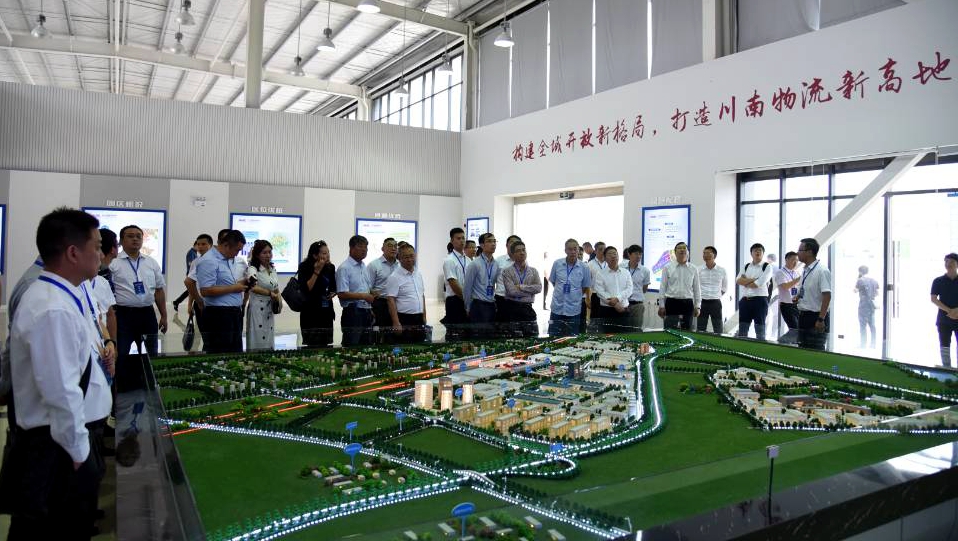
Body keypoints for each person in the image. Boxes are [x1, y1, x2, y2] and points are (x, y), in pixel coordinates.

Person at [6, 208, 111, 540]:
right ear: (73, 253)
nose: (102, 254)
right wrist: (79, 452)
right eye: (97, 246)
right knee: (53, 529)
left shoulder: (65, 294)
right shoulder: (52, 307)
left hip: (63, 442)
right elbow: (60, 391)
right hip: (57, 448)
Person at [109, 225, 167, 391]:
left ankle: (149, 384)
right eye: (130, 236)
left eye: (138, 236)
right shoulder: (114, 264)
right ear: (121, 240)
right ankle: (121, 388)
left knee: (151, 351)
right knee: (122, 353)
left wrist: (163, 315)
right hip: (124, 315)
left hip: (147, 314)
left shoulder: (151, 262)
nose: (135, 239)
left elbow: (159, 290)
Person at [196, 230, 249, 353]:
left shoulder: (227, 259)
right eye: (237, 250)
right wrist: (234, 288)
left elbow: (225, 284)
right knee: (220, 354)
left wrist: (242, 283)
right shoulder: (208, 260)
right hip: (219, 316)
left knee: (234, 353)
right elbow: (205, 290)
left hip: (233, 314)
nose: (237, 254)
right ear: (226, 245)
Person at [337, 235, 376, 346]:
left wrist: (372, 293)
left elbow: (365, 288)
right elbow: (341, 294)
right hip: (352, 313)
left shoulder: (363, 266)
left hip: (366, 311)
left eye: (366, 247)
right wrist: (364, 296)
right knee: (352, 345)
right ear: (351, 248)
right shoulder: (344, 268)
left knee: (367, 345)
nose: (364, 250)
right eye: (361, 247)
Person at [547, 239, 592, 337]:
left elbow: (585, 287)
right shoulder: (557, 264)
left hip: (574, 309)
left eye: (575, 249)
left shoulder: (584, 267)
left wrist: (574, 294)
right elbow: (554, 282)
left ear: (578, 250)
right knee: (553, 337)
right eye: (570, 249)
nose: (572, 252)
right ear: (565, 250)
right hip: (557, 308)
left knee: (571, 339)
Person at [298, 241, 337, 348]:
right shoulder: (304, 267)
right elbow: (307, 289)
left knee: (326, 345)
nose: (327, 255)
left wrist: (333, 293)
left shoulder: (330, 267)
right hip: (310, 312)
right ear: (315, 255)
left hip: (326, 312)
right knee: (312, 346)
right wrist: (317, 270)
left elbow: (333, 286)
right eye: (324, 253)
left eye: (328, 252)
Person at [385, 244, 427, 343]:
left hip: (419, 318)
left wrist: (424, 316)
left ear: (415, 256)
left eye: (411, 256)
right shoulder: (394, 277)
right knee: (405, 346)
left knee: (420, 346)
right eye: (405, 257)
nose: (409, 259)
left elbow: (422, 296)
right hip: (404, 318)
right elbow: (391, 300)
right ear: (399, 258)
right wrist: (396, 322)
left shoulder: (418, 274)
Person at [795, 238, 832, 350]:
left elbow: (827, 296)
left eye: (800, 250)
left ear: (809, 252)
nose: (797, 253)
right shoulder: (805, 270)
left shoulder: (822, 270)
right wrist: (798, 297)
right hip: (803, 316)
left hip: (816, 318)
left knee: (815, 351)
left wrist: (820, 319)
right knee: (803, 349)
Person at [245, 240, 281, 351]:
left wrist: (279, 302)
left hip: (269, 309)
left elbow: (276, 288)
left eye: (270, 252)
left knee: (268, 339)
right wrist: (269, 293)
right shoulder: (253, 269)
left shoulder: (272, 269)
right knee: (258, 339)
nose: (268, 255)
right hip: (257, 310)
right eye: (264, 252)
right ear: (257, 254)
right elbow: (252, 286)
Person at [501, 241, 542, 336]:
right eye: (518, 251)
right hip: (512, 309)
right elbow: (511, 291)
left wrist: (520, 287)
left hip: (528, 309)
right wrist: (530, 292)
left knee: (532, 339)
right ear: (512, 254)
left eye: (523, 250)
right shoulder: (507, 271)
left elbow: (539, 288)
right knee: (513, 340)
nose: (522, 253)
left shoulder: (533, 271)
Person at [658, 242, 701, 330]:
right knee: (669, 330)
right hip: (671, 303)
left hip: (688, 303)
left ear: (688, 252)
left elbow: (697, 289)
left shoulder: (693, 268)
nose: (682, 250)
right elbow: (663, 287)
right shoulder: (667, 267)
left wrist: (697, 306)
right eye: (679, 248)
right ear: (675, 252)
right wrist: (661, 306)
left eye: (684, 248)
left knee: (687, 331)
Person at [463, 233, 500, 335]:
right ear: (482, 245)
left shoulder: (496, 264)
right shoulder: (474, 264)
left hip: (491, 305)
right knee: (478, 337)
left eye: (494, 241)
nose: (493, 244)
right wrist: (468, 307)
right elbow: (467, 288)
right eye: (489, 241)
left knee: (490, 336)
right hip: (478, 305)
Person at [736, 243, 774, 340]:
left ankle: (760, 348)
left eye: (760, 250)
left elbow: (757, 284)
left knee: (760, 330)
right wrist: (754, 279)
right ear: (751, 253)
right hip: (745, 300)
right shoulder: (746, 266)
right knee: (742, 330)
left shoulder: (767, 266)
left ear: (763, 253)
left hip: (760, 301)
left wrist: (746, 281)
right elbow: (738, 281)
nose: (758, 252)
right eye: (755, 250)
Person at [593, 246, 633, 333]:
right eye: (610, 254)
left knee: (625, 335)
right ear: (605, 258)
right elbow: (600, 291)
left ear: (618, 256)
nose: (613, 256)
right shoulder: (600, 273)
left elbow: (630, 289)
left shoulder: (626, 272)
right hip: (607, 311)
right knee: (608, 336)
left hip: (624, 309)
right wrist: (614, 303)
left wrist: (618, 299)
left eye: (615, 254)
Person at [182, 233, 213, 343]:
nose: (200, 247)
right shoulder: (195, 262)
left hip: (213, 304)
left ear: (210, 245)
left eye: (204, 244)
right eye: (198, 244)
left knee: (213, 335)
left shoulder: (216, 261)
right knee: (204, 334)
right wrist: (190, 304)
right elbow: (191, 285)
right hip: (200, 303)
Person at [930, 253, 958, 367]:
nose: (948, 264)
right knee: (944, 346)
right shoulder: (938, 281)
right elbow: (933, 299)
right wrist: (949, 311)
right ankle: (946, 369)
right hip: (943, 320)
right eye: (946, 261)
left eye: (951, 262)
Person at [441, 228, 469, 339]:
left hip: (466, 299)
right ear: (452, 241)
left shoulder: (468, 260)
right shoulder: (449, 260)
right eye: (458, 238)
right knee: (454, 334)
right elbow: (453, 283)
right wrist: (466, 300)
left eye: (463, 238)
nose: (462, 241)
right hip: (455, 301)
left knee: (466, 332)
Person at [368, 237, 399, 329]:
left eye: (395, 246)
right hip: (380, 304)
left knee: (394, 331)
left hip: (397, 303)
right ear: (383, 249)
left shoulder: (400, 265)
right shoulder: (374, 265)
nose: (393, 248)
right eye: (390, 246)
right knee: (378, 332)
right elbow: (367, 287)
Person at [697, 246, 727, 334]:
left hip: (715, 302)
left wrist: (716, 295)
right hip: (702, 302)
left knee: (718, 328)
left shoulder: (722, 270)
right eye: (704, 253)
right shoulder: (698, 269)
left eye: (708, 253)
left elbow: (724, 288)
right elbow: (695, 286)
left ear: (714, 255)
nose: (705, 255)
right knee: (701, 328)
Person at [773, 252, 802, 344]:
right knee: (794, 329)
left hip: (796, 304)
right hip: (786, 305)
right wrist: (798, 279)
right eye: (793, 260)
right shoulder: (780, 272)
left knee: (799, 329)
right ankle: (780, 342)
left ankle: (790, 344)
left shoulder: (796, 273)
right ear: (787, 260)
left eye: (797, 260)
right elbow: (785, 286)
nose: (795, 262)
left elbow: (798, 288)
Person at [494, 235, 522, 322]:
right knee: (502, 324)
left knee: (516, 325)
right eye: (512, 242)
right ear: (506, 245)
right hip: (502, 299)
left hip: (517, 299)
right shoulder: (498, 261)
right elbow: (492, 280)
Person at [625, 245, 651, 332]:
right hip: (623, 304)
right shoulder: (621, 268)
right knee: (623, 329)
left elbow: (644, 289)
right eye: (636, 254)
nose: (638, 256)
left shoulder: (645, 271)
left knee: (636, 330)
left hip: (637, 304)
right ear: (629, 254)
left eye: (640, 254)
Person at [855, 265, 880, 349]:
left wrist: (857, 279)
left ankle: (863, 344)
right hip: (871, 305)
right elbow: (877, 293)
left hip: (863, 305)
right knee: (872, 325)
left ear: (860, 272)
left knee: (863, 326)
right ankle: (873, 344)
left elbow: (855, 290)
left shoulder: (860, 280)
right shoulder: (874, 281)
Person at [172, 241, 200, 312]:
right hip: (191, 275)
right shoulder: (191, 253)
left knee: (191, 291)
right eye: (199, 245)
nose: (200, 247)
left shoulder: (194, 253)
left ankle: (177, 302)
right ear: (195, 245)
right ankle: (178, 302)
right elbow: (191, 264)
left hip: (193, 275)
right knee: (191, 291)